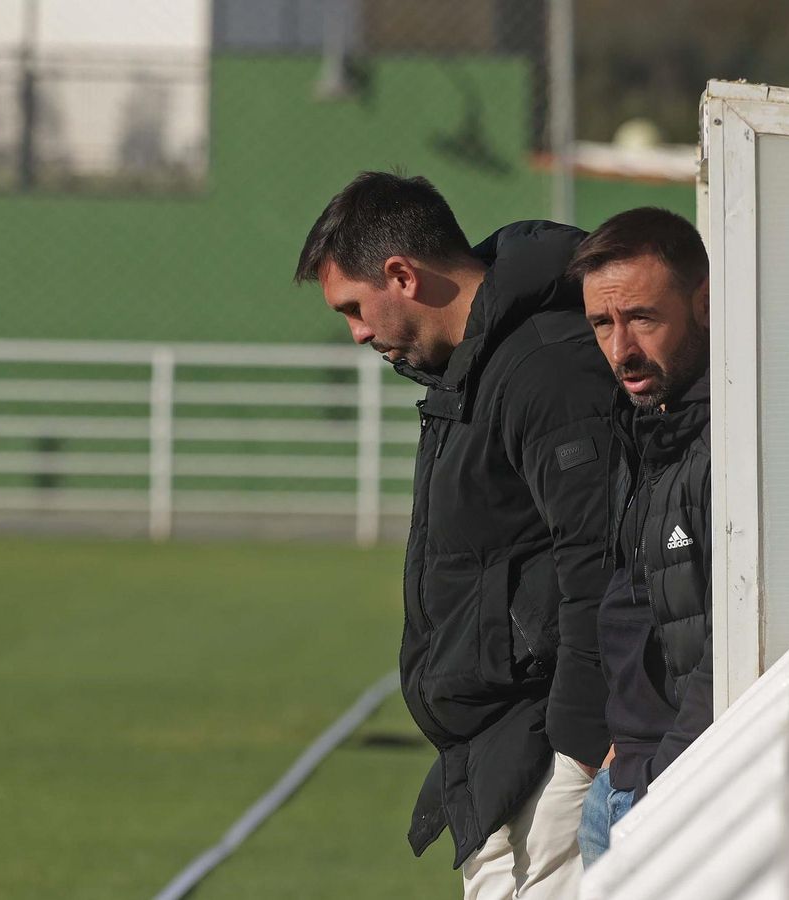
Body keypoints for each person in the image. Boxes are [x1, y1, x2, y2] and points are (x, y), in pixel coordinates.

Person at [295, 172, 613, 898]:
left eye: (354, 307)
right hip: (507, 748)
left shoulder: (543, 365)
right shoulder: (473, 370)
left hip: (551, 748)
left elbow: (600, 558)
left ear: (402, 274)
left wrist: (581, 741)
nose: (357, 333)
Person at [564, 207, 712, 865]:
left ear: (704, 303)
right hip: (624, 785)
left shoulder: (735, 440)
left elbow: (735, 638)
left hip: (674, 799)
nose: (621, 349)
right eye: (603, 324)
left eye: (643, 319)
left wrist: (666, 778)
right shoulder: (652, 426)